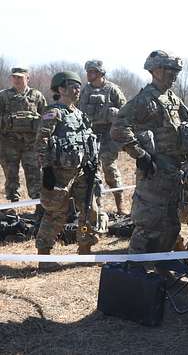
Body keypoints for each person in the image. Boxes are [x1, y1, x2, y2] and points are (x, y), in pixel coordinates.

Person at [111, 50, 188, 255]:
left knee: (171, 224)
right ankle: (135, 272)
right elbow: (118, 128)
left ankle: (161, 270)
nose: (174, 75)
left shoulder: (173, 100)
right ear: (156, 71)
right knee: (148, 226)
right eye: (170, 70)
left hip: (175, 173)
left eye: (176, 71)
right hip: (154, 173)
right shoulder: (145, 100)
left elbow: (185, 130)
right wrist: (140, 155)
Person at [35, 71, 108, 261]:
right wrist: (47, 169)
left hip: (83, 172)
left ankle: (85, 247)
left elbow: (88, 140)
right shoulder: (53, 113)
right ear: (61, 89)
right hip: (60, 173)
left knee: (89, 210)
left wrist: (92, 162)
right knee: (56, 213)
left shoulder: (79, 114)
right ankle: (44, 255)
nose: (78, 89)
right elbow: (41, 141)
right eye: (73, 86)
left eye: (78, 86)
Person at [78, 60, 127, 214]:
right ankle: (97, 208)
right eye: (87, 71)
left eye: (91, 71)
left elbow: (126, 110)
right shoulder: (84, 90)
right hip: (90, 135)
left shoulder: (112, 89)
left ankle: (121, 206)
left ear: (99, 73)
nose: (88, 74)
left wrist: (115, 114)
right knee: (92, 171)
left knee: (110, 170)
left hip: (108, 135)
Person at [0, 67, 47, 205]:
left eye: (20, 77)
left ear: (27, 78)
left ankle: (38, 206)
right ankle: (12, 206)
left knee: (34, 175)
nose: (16, 80)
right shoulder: (3, 96)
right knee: (11, 176)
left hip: (31, 144)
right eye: (14, 77)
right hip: (9, 144)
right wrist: (10, 121)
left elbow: (46, 117)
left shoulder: (37, 96)